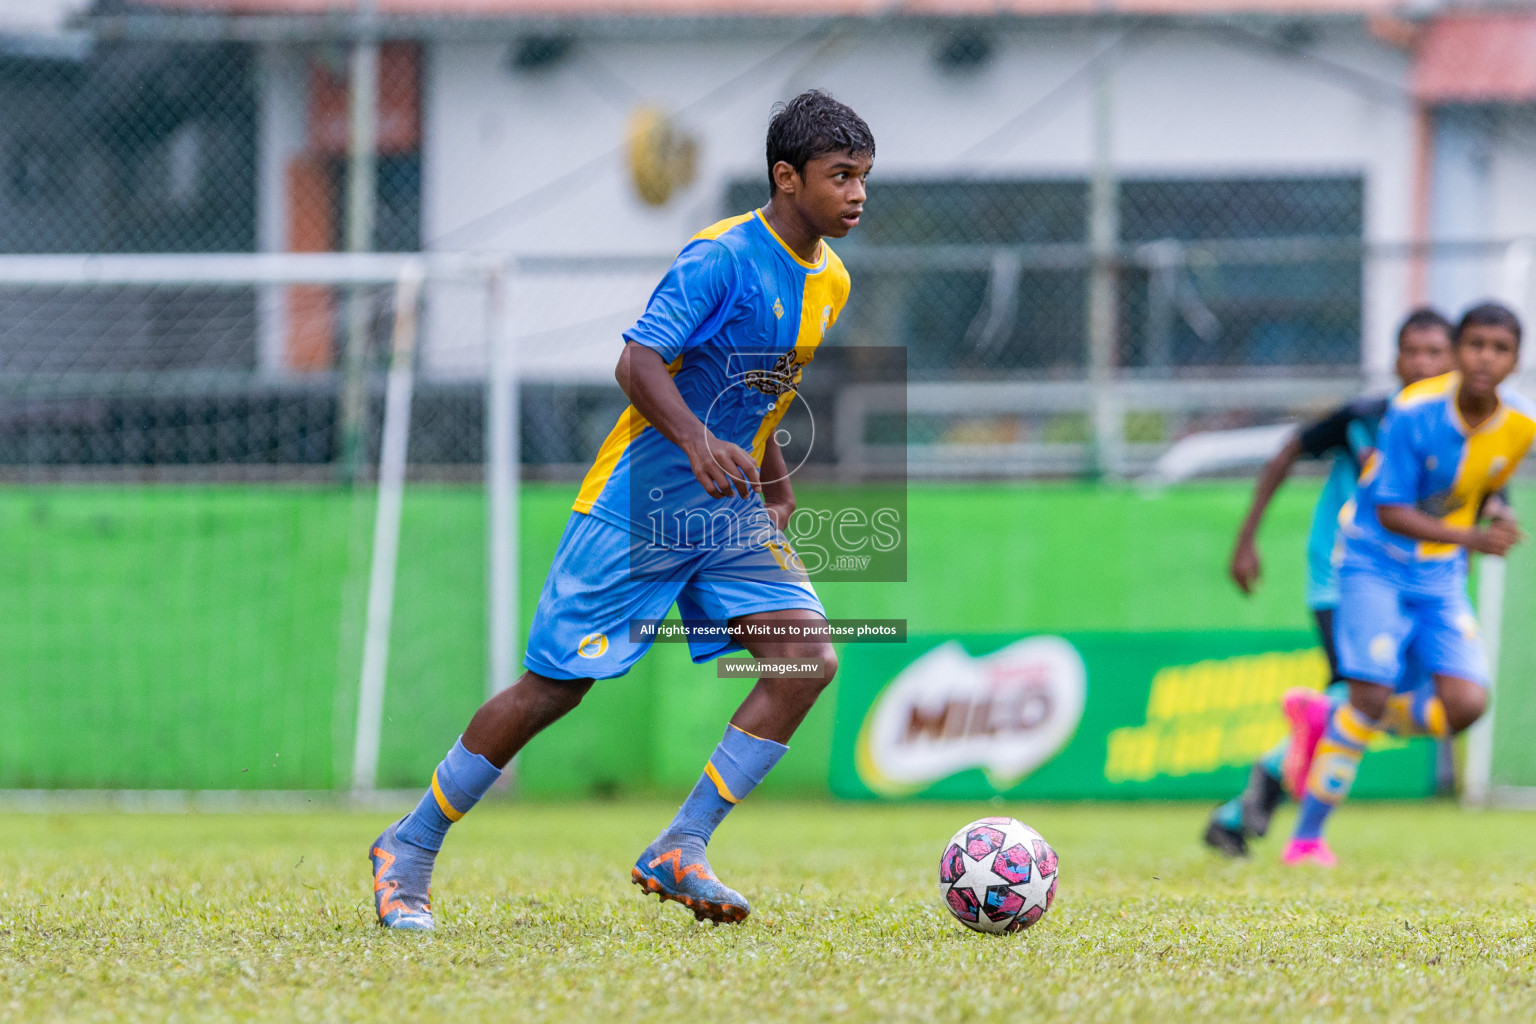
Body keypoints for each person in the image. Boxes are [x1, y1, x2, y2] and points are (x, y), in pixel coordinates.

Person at [367, 91, 875, 929]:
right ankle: (409, 846)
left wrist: (776, 485)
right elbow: (638, 364)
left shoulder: (833, 280)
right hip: (639, 504)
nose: (856, 194)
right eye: (840, 176)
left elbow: (763, 393)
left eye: (863, 178)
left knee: (807, 657)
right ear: (787, 178)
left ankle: (682, 844)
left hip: (728, 513)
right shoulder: (719, 257)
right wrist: (696, 442)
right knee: (553, 690)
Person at [1280, 301, 1532, 867]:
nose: (1486, 358)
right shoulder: (1413, 409)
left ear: (1516, 359)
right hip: (1374, 561)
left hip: (1438, 575)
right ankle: (1306, 840)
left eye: (1501, 348)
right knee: (1369, 691)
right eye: (1476, 345)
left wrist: (1498, 517)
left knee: (1466, 705)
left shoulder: (1521, 425)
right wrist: (1472, 539)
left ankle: (1329, 715)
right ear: (1458, 351)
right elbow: (1391, 510)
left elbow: (1476, 486)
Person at [1203, 309, 1455, 857]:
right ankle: (1269, 819)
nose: (1424, 363)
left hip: (1410, 579)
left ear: (1453, 361)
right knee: (1368, 693)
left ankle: (1236, 813)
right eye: (1413, 351)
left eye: (1436, 353)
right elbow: (1288, 450)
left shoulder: (1456, 430)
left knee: (1377, 698)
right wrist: (1246, 540)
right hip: (1344, 575)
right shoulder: (1365, 417)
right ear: (1396, 359)